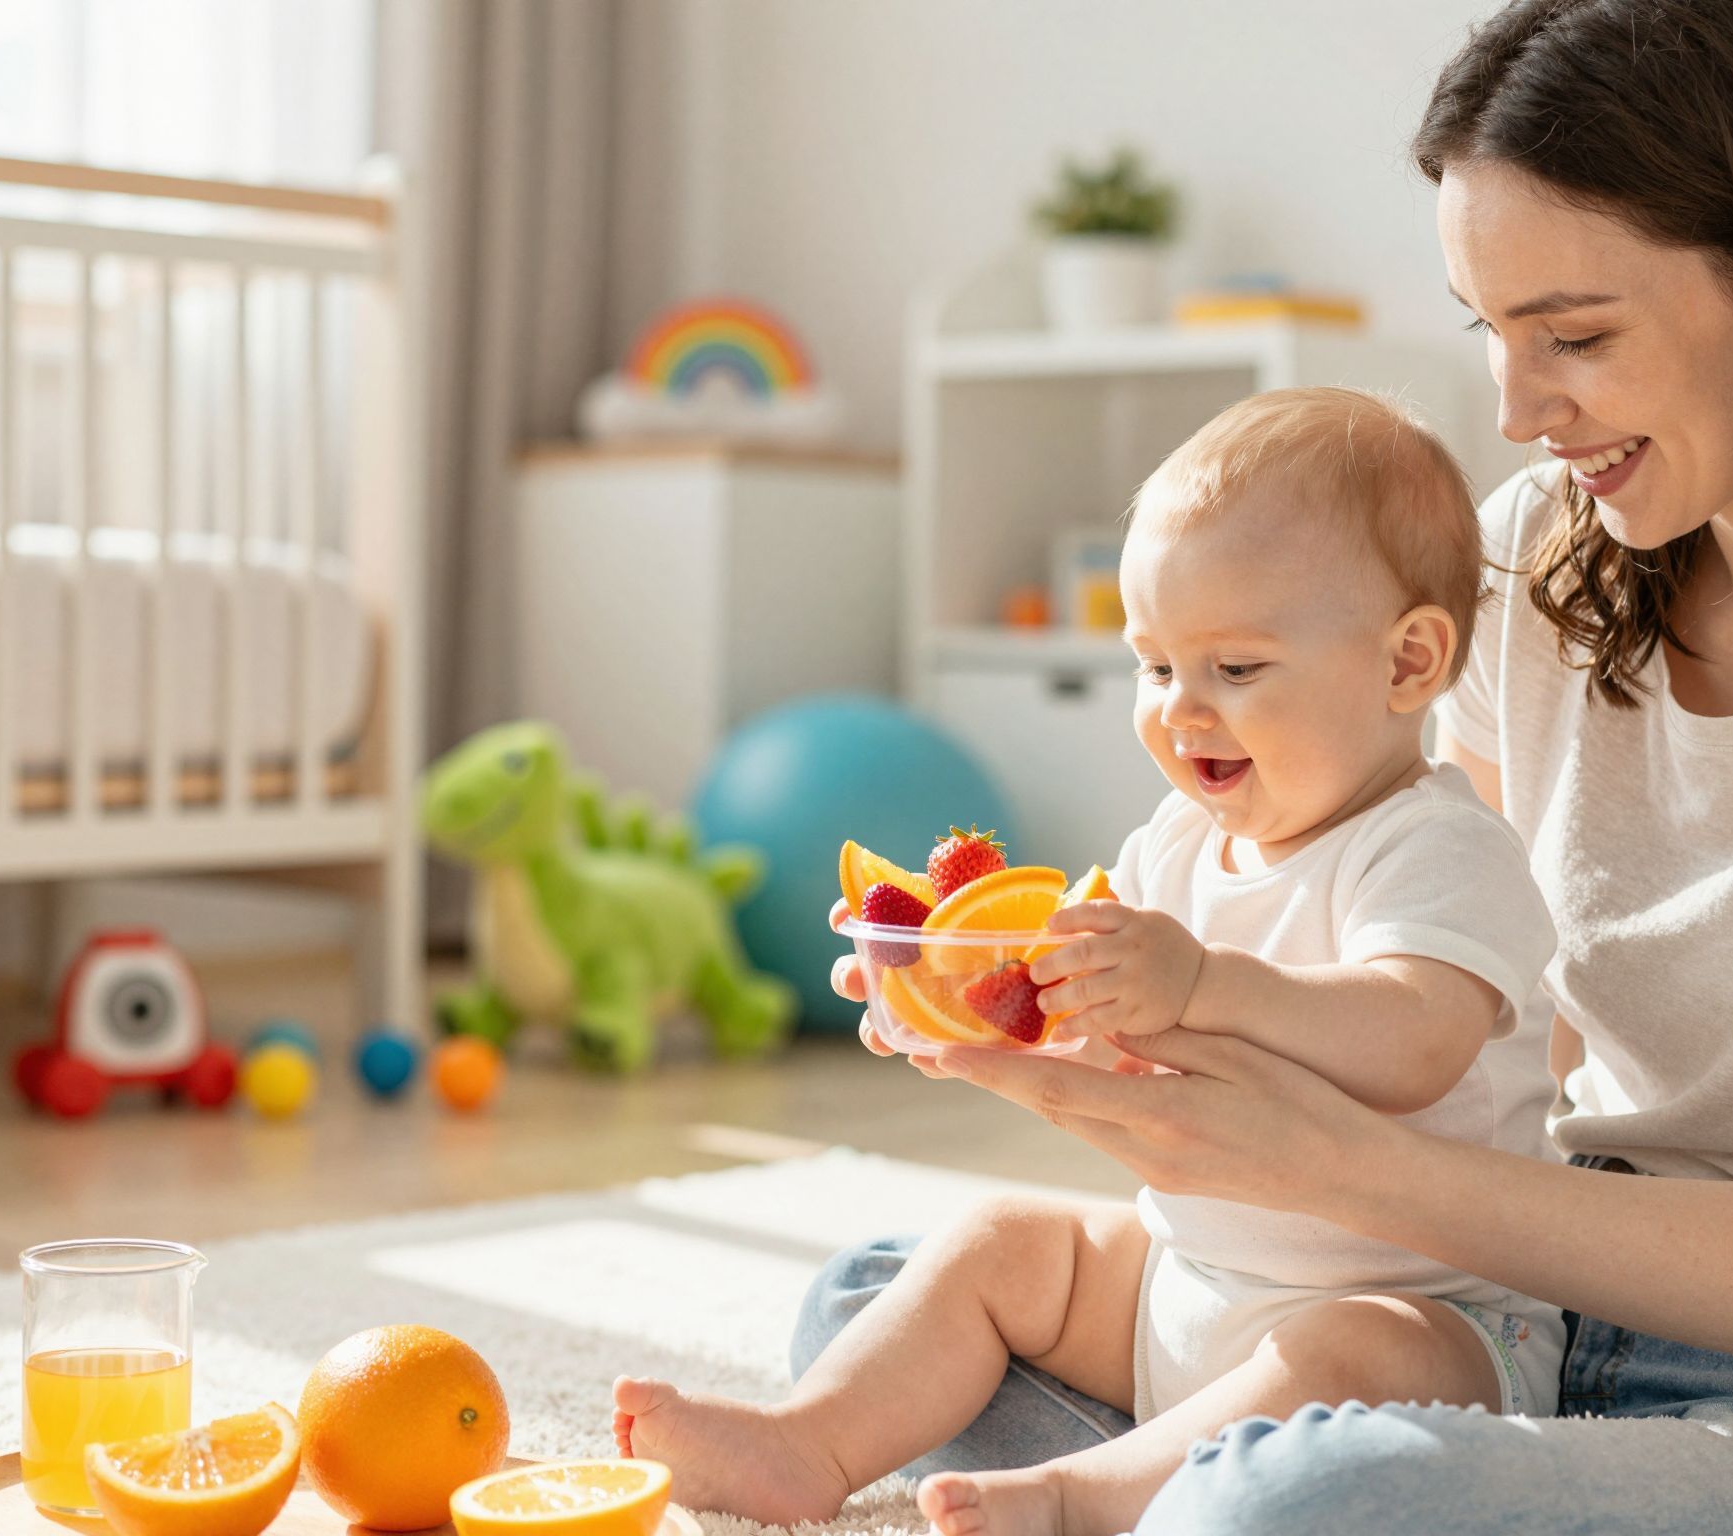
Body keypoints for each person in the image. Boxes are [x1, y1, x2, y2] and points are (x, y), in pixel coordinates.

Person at [790, 0, 1733, 1531]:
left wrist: (1325, 1166)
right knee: (882, 1307)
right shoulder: (1532, 566)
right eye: (1489, 335)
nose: (1515, 413)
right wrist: (1115, 1032)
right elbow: (1452, 1002)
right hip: (1542, 1309)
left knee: (1309, 1500)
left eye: (1575, 336)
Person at [610, 388, 1568, 1534]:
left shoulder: (1436, 846)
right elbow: (1090, 1018)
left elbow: (1414, 1038)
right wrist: (958, 1000)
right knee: (999, 1244)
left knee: (1349, 1349)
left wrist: (1208, 986)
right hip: (1186, 1286)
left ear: (1407, 663)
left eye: (1236, 669)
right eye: (1154, 667)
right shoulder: (1173, 845)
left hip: (1426, 1322)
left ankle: (1083, 1495)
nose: (1180, 712)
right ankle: (806, 1445)